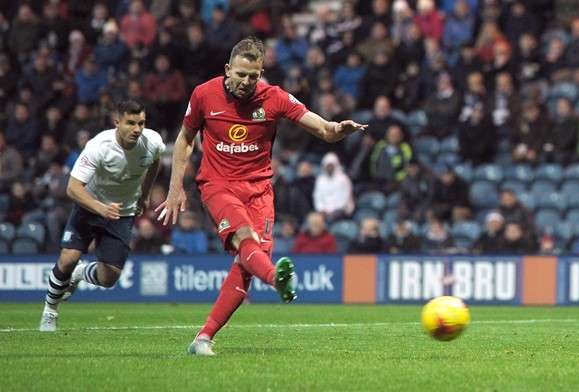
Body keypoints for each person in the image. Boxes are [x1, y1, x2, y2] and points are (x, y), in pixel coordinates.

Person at [155, 37, 366, 356]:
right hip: (218, 185)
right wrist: (175, 188)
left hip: (260, 191)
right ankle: (277, 279)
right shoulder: (204, 94)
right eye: (240, 74)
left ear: (261, 73)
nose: (246, 82)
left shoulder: (274, 97)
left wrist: (339, 129)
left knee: (245, 263)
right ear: (228, 69)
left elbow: (322, 129)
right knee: (245, 237)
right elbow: (185, 139)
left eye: (253, 76)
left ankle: (203, 338)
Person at [38, 100, 164, 332]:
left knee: (109, 279)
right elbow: (73, 188)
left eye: (141, 123)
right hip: (89, 208)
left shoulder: (153, 142)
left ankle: (79, 274)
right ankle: (50, 311)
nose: (137, 129)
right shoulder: (98, 146)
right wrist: (99, 207)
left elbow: (155, 163)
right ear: (117, 122)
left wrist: (144, 194)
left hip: (122, 213)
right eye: (130, 123)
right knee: (68, 258)